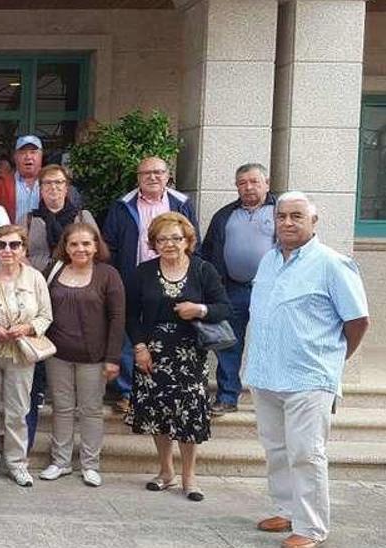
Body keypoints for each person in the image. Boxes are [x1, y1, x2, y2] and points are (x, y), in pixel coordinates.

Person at [246, 191, 369, 548]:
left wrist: (333, 360)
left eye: (296, 216)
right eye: (282, 216)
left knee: (306, 452)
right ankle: (286, 510)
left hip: (309, 376)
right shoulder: (269, 261)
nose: (287, 222)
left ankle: (311, 527)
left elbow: (358, 320)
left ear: (313, 222)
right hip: (267, 373)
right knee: (277, 449)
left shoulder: (332, 264)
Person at [127, 212, 229, 503]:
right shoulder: (143, 272)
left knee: (188, 415)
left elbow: (223, 308)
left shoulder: (202, 270)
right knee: (158, 414)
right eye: (162, 239)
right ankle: (166, 471)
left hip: (189, 354)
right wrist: (139, 347)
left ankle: (189, 476)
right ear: (154, 243)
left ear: (188, 240)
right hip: (153, 353)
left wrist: (199, 309)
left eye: (175, 238)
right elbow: (132, 315)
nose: (169, 243)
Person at [102, 156, 198, 415]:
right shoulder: (122, 206)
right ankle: (127, 392)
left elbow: (192, 239)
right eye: (146, 173)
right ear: (138, 177)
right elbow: (109, 244)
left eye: (158, 172)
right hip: (132, 279)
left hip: (173, 278)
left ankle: (163, 389)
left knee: (168, 335)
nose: (152, 177)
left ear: (168, 176)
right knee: (130, 331)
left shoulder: (182, 203)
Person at [40, 222, 125, 487]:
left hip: (94, 357)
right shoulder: (53, 270)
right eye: (74, 243)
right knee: (62, 409)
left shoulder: (108, 274)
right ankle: (61, 462)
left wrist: (113, 358)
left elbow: (117, 317)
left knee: (90, 411)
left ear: (96, 245)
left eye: (86, 243)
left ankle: (90, 465)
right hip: (57, 354)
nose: (80, 249)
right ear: (65, 246)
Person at [0, 225, 52, 487]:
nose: (8, 250)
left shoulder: (36, 279)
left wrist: (28, 328)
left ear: (24, 249)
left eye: (14, 245)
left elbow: (46, 316)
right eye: (2, 245)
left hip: (21, 352)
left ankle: (17, 463)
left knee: (18, 411)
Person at [199, 163, 275, 416]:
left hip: (272, 290)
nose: (248, 187)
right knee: (229, 343)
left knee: (274, 341)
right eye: (242, 183)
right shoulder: (224, 215)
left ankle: (273, 398)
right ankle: (227, 396)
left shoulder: (281, 212)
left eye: (254, 181)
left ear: (267, 183)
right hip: (233, 289)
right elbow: (207, 251)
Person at [0, 135, 81, 225]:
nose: (28, 156)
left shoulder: (60, 187)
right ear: (15, 157)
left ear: (41, 155)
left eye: (33, 152)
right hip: (13, 241)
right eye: (23, 152)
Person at [29, 164, 96, 272]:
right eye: (47, 183)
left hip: (77, 279)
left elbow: (97, 251)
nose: (53, 187)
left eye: (58, 182)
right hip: (36, 281)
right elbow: (19, 253)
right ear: (40, 188)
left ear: (66, 188)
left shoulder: (83, 218)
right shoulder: (27, 220)